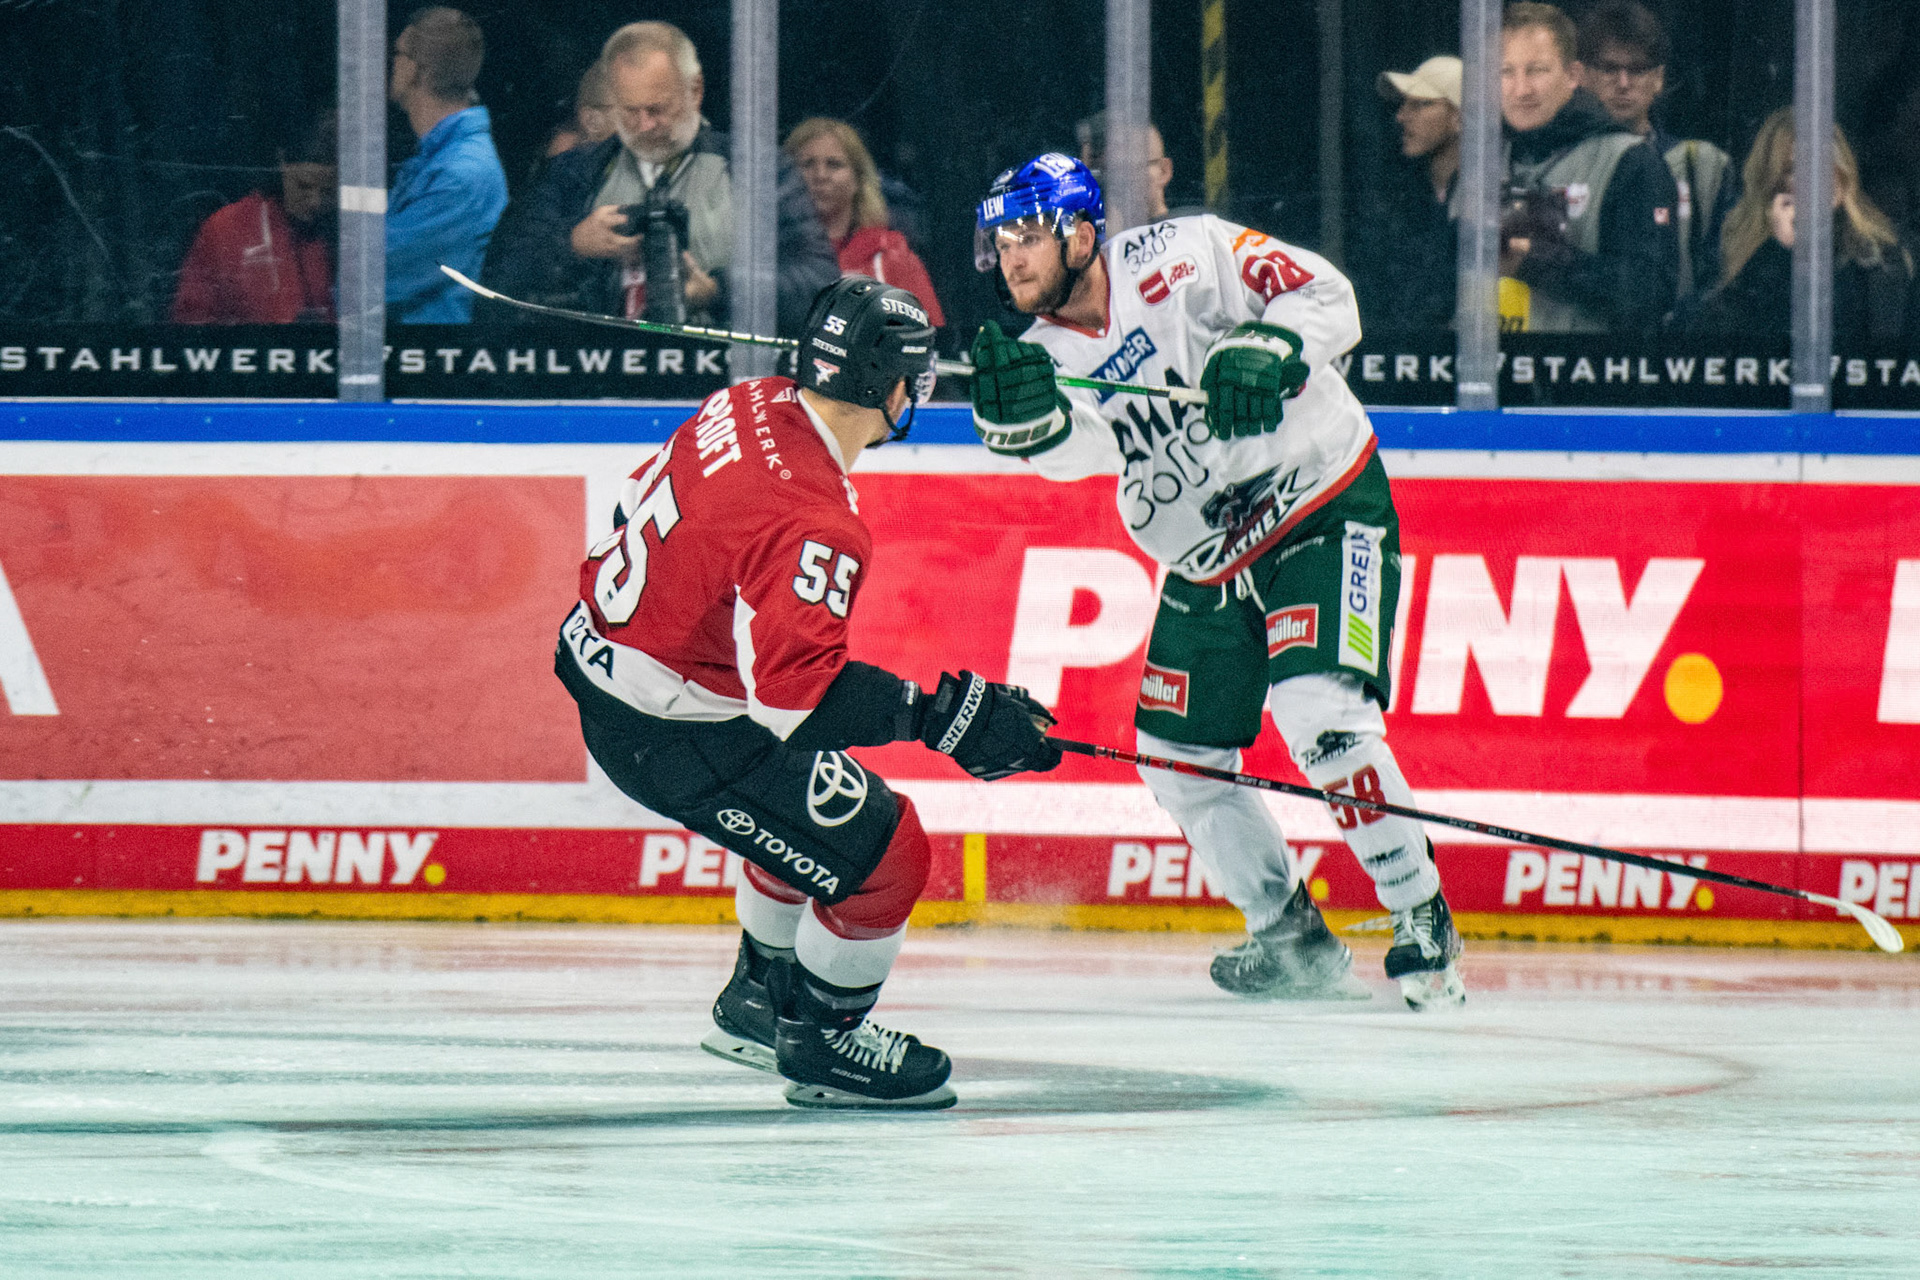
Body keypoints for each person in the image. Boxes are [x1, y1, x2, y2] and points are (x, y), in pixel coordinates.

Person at [967, 154, 1465, 1011]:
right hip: (1207, 559)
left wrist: (1270, 344)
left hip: (1319, 504)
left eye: (1028, 236)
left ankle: (1419, 912)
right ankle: (1290, 939)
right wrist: (1027, 424)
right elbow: (1080, 449)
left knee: (1319, 712)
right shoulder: (1043, 355)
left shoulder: (1186, 252)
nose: (1011, 257)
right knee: (1177, 760)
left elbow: (1330, 296)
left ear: (1081, 235)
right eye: (1000, 242)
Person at [555, 276, 1061, 1108]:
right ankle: (825, 1041)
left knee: (806, 820)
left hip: (615, 674)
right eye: (917, 377)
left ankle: (757, 1001)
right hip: (668, 729)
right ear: (892, 388)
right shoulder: (816, 520)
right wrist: (945, 718)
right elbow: (797, 703)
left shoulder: (748, 400)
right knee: (889, 854)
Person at [480, 21, 839, 335]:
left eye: (657, 109)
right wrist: (571, 244)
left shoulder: (757, 170)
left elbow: (819, 282)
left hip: (723, 369)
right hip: (600, 369)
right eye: (629, 111)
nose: (644, 126)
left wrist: (718, 290)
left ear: (695, 90)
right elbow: (494, 288)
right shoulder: (572, 174)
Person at [1498, 1, 1678, 333]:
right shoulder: (1478, 162)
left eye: (1537, 70)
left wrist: (1534, 261)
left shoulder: (1630, 162)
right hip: (1481, 363)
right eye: (1506, 72)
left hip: (1581, 363)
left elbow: (1650, 291)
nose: (1521, 89)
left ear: (1573, 76)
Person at [1684, 108, 1915, 343]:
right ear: (1774, 185)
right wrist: (1778, 251)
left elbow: (1879, 343)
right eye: (1795, 169)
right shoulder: (1735, 243)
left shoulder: (1878, 257)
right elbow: (1714, 338)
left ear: (1842, 174)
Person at [1577, 0, 1738, 304]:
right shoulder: (1560, 163)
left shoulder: (1704, 166)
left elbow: (1725, 271)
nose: (1623, 83)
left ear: (1658, 78)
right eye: (1609, 68)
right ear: (1583, 76)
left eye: (1637, 69)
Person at [385, 6, 508, 323]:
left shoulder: (460, 174)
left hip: (432, 348)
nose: (391, 63)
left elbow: (373, 276)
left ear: (418, 71)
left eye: (398, 53)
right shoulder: (440, 160)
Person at [171, 112, 337, 324]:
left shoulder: (346, 233)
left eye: (327, 191)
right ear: (281, 163)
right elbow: (190, 321)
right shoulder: (228, 229)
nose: (315, 202)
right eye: (303, 186)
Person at [785, 117, 944, 325]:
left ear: (858, 180)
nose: (820, 175)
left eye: (834, 164)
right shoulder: (768, 255)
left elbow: (927, 336)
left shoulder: (892, 258)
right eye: (807, 164)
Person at [1369, 55, 1462, 330]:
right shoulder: (1396, 194)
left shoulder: (1495, 193)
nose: (1401, 116)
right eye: (1404, 103)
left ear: (1461, 116)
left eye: (1421, 104)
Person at [1074, 112, 1197, 222]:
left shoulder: (1195, 231)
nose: (1117, 181)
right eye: (1099, 172)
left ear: (1164, 171)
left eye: (1128, 168)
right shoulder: (1080, 235)